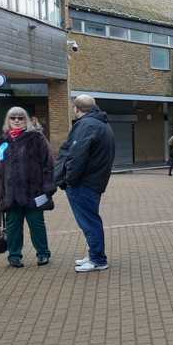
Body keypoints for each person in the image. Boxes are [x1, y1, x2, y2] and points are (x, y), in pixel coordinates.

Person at [54, 94, 115, 272]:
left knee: (89, 222)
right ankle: (94, 255)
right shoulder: (101, 124)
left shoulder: (86, 125)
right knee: (90, 221)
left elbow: (76, 155)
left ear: (76, 109)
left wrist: (68, 180)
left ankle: (97, 259)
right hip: (94, 181)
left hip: (84, 183)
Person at [0, 107, 56, 268]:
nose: (17, 120)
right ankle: (14, 256)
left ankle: (43, 253)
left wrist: (47, 187)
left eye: (21, 117)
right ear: (8, 120)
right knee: (13, 227)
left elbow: (49, 164)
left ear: (26, 120)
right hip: (10, 195)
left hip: (34, 193)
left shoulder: (36, 139)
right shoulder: (2, 141)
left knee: (37, 224)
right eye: (13, 118)